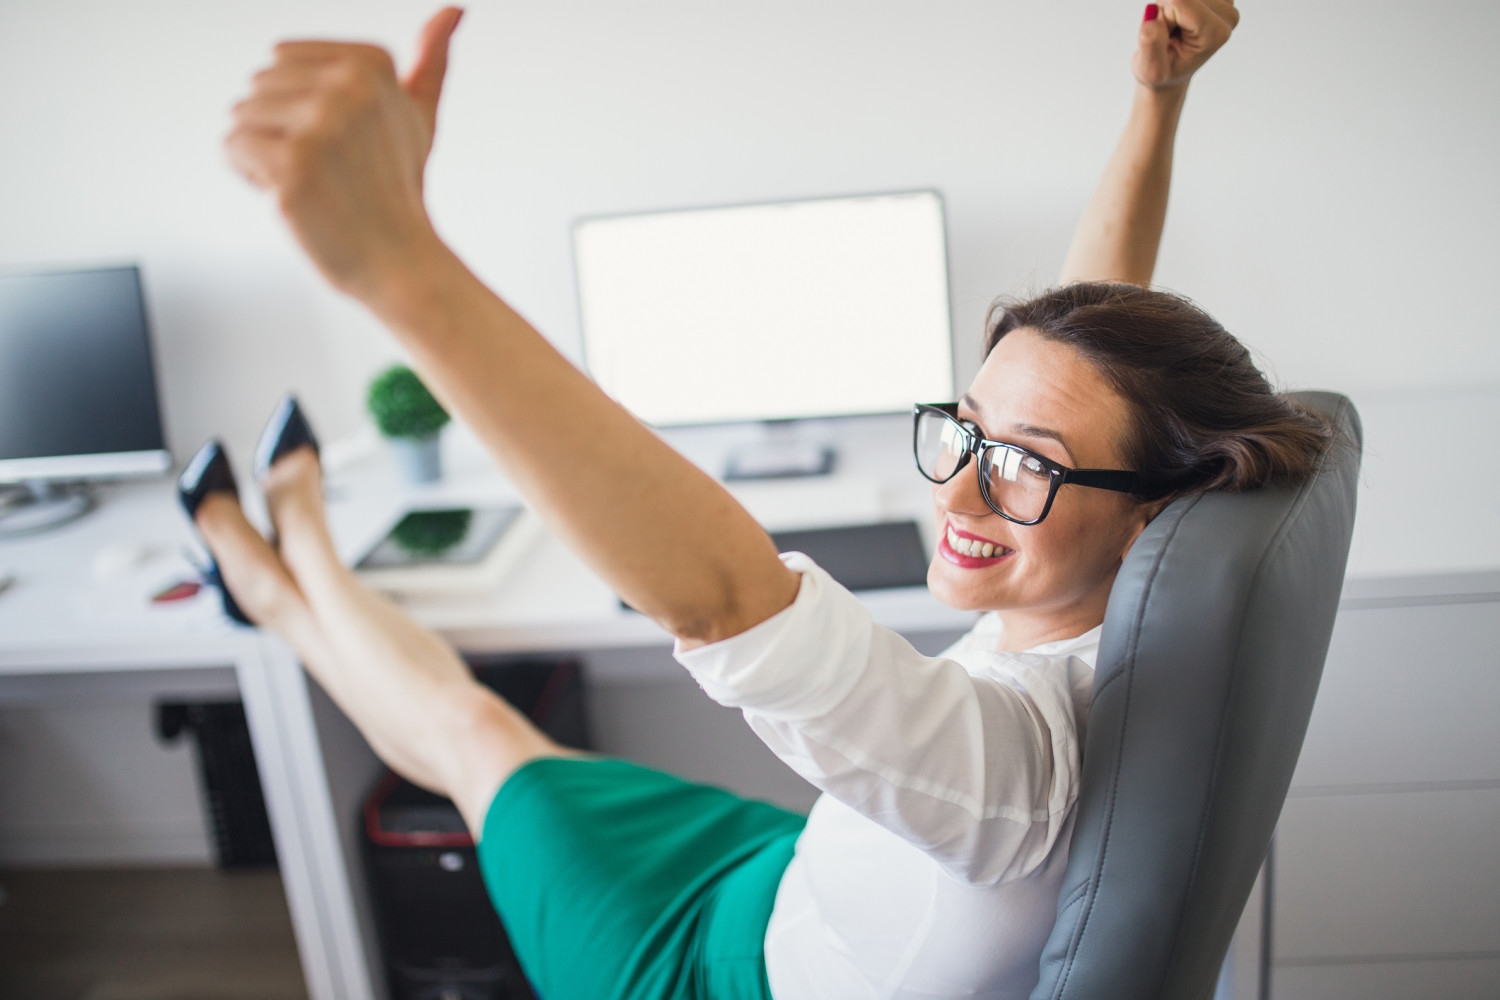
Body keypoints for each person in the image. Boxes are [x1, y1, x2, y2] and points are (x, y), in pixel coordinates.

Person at [186, 2, 1325, 997]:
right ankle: (284, 580)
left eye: (1024, 460)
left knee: (473, 729)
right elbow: (1095, 347)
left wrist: (396, 258)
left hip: (707, 970)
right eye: (967, 428)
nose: (962, 485)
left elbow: (728, 599)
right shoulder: (1101, 606)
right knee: (515, 752)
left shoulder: (1014, 773)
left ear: (1149, 512)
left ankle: (282, 579)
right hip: (789, 870)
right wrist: (1155, 105)